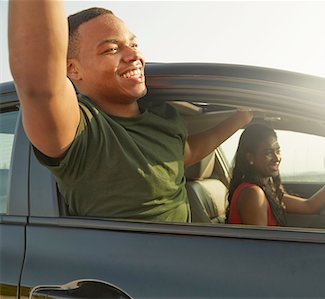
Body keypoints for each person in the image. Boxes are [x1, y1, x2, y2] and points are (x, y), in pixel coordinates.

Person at [8, 2, 252, 222]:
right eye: (112, 49)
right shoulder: (83, 132)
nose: (134, 55)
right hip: (132, 270)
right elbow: (38, 83)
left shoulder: (165, 118)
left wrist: (241, 118)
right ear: (73, 69)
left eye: (133, 44)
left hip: (197, 260)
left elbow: (184, 153)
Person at [227, 124, 325, 226]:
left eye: (278, 151)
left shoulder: (265, 190)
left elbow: (309, 206)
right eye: (268, 153)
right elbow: (259, 247)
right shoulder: (253, 193)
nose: (277, 158)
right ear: (250, 157)